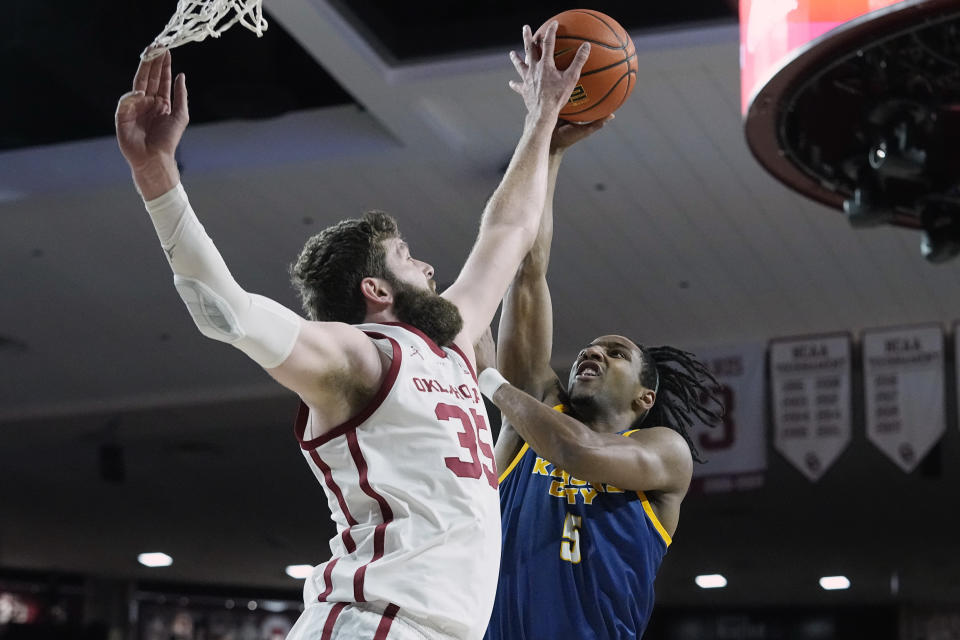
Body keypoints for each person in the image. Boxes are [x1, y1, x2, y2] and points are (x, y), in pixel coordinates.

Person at [114, 23, 591, 640]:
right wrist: (157, 176)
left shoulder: (446, 345)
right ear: (376, 290)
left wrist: (542, 118)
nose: (427, 265)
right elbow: (223, 311)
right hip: (369, 626)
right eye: (405, 255)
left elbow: (508, 232)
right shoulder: (357, 357)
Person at [478, 121, 724, 639]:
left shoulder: (664, 452)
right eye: (591, 348)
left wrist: (492, 382)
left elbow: (577, 453)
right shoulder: (536, 411)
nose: (593, 351)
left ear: (644, 396)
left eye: (616, 354)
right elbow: (528, 270)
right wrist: (551, 144)